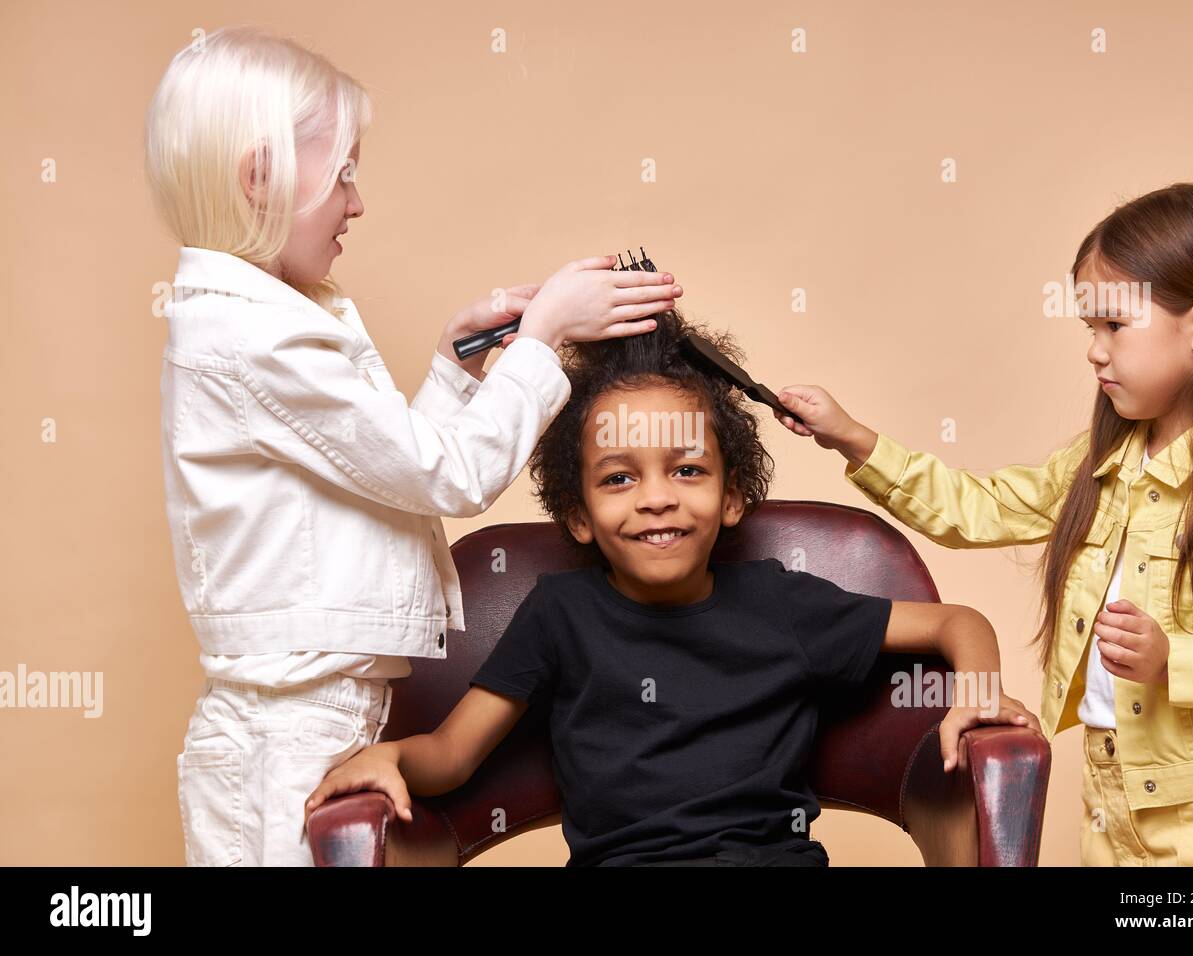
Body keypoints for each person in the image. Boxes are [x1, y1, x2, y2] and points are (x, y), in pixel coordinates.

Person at [145, 25, 681, 865]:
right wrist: (541, 342)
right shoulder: (253, 339)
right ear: (260, 176)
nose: (357, 203)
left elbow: (384, 470)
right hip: (276, 744)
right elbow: (447, 474)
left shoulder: (266, 323)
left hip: (309, 724)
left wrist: (455, 365)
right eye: (345, 173)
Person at [305, 308, 1040, 866]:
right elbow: (452, 755)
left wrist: (975, 700)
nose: (656, 498)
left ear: (732, 498)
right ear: (579, 515)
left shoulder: (779, 603)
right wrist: (393, 758)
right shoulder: (560, 614)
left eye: (686, 470)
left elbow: (957, 623)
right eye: (619, 477)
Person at [775, 183, 1193, 865]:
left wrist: (1178, 660)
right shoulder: (1101, 463)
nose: (1094, 350)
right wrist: (852, 438)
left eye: (1114, 325)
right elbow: (979, 508)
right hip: (1113, 804)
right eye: (1090, 328)